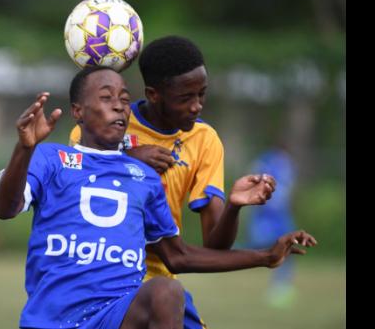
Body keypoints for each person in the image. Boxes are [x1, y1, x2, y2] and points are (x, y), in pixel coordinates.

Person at [0, 66, 317, 329]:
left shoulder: (145, 178)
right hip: (52, 319)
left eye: (123, 98)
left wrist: (265, 257)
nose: (119, 106)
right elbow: (5, 208)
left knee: (166, 291)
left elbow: (178, 257)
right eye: (106, 98)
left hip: (116, 315)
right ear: (78, 111)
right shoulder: (50, 158)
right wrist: (25, 148)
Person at [69, 36, 278, 328]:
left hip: (161, 276)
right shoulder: (106, 121)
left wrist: (233, 206)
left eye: (202, 94)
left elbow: (215, 245)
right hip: (102, 275)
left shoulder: (205, 141)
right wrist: (129, 157)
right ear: (153, 94)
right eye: (185, 98)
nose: (197, 106)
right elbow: (76, 184)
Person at [246, 146, 298, 308]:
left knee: (285, 248)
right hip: (267, 214)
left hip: (277, 215)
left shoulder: (281, 162)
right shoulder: (269, 161)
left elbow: (289, 190)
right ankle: (281, 286)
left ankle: (281, 286)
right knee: (265, 247)